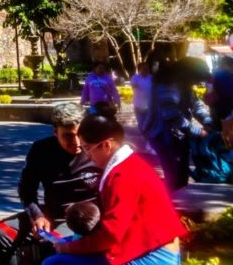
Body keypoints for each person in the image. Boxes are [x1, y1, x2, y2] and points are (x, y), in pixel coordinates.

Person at [44, 112, 185, 265]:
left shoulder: (125, 176)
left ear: (106, 145)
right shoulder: (127, 166)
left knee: (55, 263)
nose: (88, 156)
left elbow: (111, 234)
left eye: (87, 148)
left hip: (153, 254)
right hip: (143, 246)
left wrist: (70, 248)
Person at [0, 103, 101, 265]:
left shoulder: (96, 149)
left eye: (79, 134)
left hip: (81, 222)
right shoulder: (41, 150)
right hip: (50, 215)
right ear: (56, 133)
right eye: (68, 136)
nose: (76, 142)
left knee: (49, 244)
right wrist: (37, 216)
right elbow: (26, 189)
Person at [144, 57, 212, 191]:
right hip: (163, 136)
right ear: (188, 74)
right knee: (174, 177)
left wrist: (207, 121)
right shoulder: (166, 86)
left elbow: (196, 104)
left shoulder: (183, 84)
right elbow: (172, 116)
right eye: (196, 79)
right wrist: (199, 132)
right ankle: (174, 205)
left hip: (178, 136)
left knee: (181, 174)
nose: (197, 83)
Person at [130, 61, 153, 132]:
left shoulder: (151, 77)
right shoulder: (135, 77)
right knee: (141, 122)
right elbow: (134, 85)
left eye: (147, 68)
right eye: (144, 68)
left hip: (150, 105)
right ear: (139, 69)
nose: (146, 70)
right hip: (138, 104)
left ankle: (148, 137)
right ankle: (142, 136)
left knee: (149, 122)